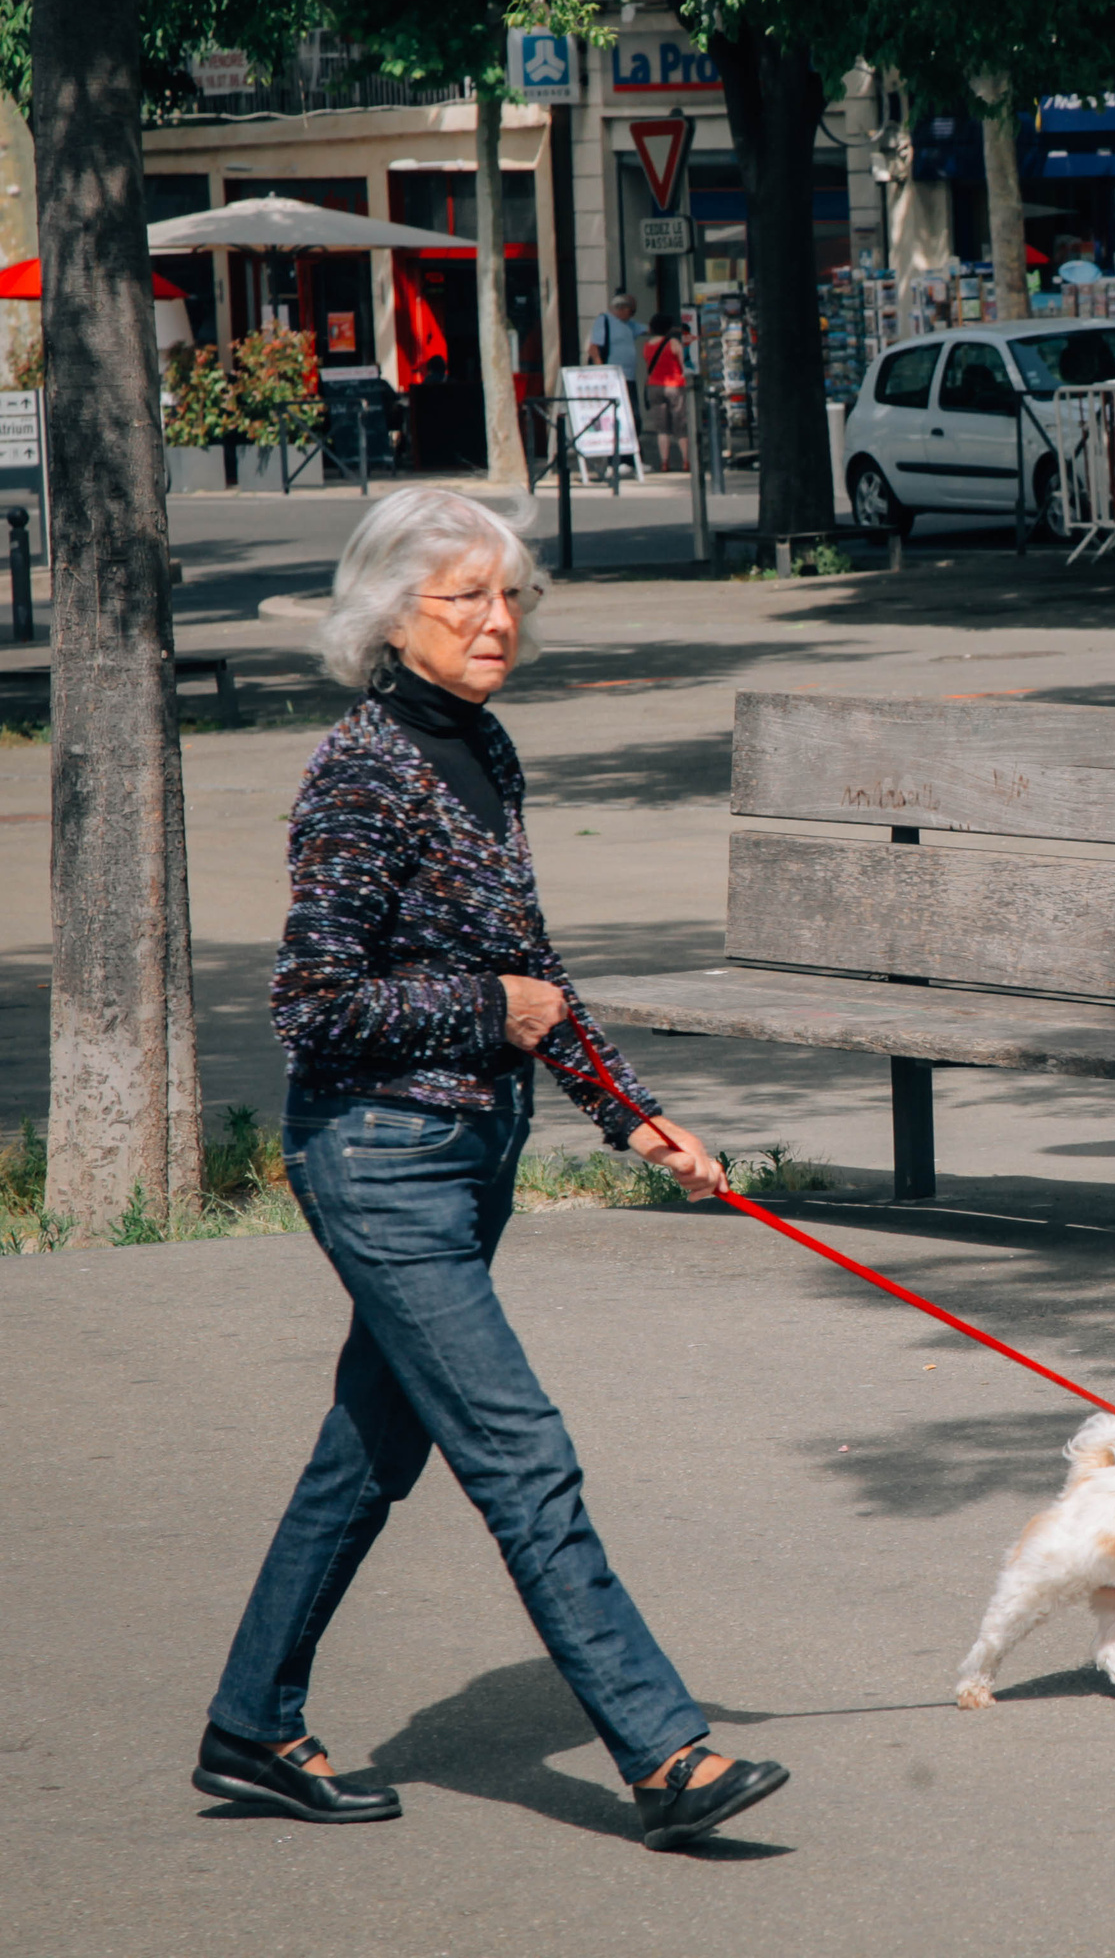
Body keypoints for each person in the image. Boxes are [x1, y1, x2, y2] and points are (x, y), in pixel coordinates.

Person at [194, 488, 790, 1851]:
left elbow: (537, 973)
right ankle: (665, 1754)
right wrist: (483, 1016)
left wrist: (632, 1114)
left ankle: (250, 1723)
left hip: (469, 1158)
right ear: (390, 613)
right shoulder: (363, 767)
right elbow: (311, 1004)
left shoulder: (484, 747)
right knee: (523, 1453)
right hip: (381, 1157)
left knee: (366, 1458)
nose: (499, 620)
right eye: (467, 598)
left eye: (510, 595)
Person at [586, 291, 644, 431]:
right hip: (613, 377)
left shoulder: (630, 324)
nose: (631, 315)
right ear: (621, 309)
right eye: (631, 311)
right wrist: (602, 371)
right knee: (616, 411)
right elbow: (594, 348)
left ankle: (631, 445)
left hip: (628, 376)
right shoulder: (604, 320)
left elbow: (649, 329)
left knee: (633, 414)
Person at [640, 312, 690, 474]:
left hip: (654, 386)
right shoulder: (673, 343)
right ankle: (686, 461)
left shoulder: (647, 345)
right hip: (674, 386)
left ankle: (664, 462)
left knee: (662, 428)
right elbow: (684, 365)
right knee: (680, 426)